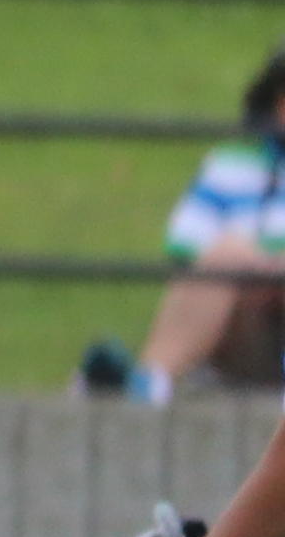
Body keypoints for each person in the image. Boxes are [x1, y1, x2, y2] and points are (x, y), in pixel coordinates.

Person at [74, 46, 285, 408]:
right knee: (224, 258)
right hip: (246, 330)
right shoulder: (230, 166)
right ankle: (149, 383)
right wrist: (259, 264)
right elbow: (188, 248)